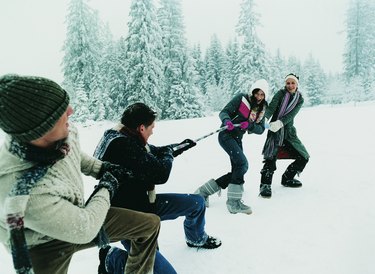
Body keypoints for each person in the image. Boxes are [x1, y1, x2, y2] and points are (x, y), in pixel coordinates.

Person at [0, 75, 161, 274]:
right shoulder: (20, 191)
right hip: (42, 244)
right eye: (60, 112)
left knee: (149, 225)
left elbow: (75, 155)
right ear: (39, 131)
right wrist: (107, 186)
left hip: (74, 214)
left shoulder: (65, 132)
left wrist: (101, 169)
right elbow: (85, 228)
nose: (70, 112)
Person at [93, 102, 222, 274]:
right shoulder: (121, 146)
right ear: (141, 128)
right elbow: (161, 173)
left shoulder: (126, 136)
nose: (153, 131)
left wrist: (179, 147)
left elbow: (153, 152)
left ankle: (196, 238)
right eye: (151, 127)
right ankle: (111, 258)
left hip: (146, 203)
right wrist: (168, 154)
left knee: (197, 203)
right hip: (128, 220)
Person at [195, 79, 269, 214]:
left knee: (238, 169)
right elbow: (224, 112)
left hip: (237, 138)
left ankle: (203, 192)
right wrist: (226, 120)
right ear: (252, 92)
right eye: (257, 93)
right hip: (226, 135)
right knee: (242, 165)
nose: (258, 97)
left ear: (265, 96)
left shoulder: (262, 110)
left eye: (262, 94)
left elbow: (261, 129)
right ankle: (233, 202)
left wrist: (250, 125)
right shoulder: (242, 99)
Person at [258, 73, 310, 198]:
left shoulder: (299, 99)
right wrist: (264, 118)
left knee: (303, 156)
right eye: (288, 83)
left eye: (293, 83)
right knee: (271, 157)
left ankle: (287, 178)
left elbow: (291, 115)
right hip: (274, 131)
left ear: (297, 84)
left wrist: (281, 123)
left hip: (289, 132)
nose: (290, 85)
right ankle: (265, 185)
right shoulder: (280, 94)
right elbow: (271, 108)